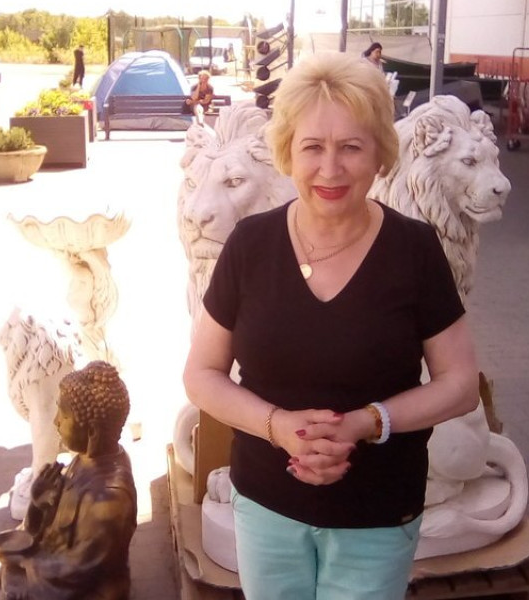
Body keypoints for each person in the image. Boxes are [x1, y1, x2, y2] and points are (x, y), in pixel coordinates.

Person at [183, 52, 479, 600]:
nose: (330, 168)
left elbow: (460, 384)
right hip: (266, 507)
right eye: (313, 147)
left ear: (379, 153)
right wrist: (278, 427)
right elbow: (201, 374)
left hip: (378, 512)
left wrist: (366, 423)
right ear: (288, 152)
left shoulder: (415, 249)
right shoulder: (250, 245)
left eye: (351, 147)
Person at [0, 361, 138, 600]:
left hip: (89, 588)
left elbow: (82, 568)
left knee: (8, 590)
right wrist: (39, 504)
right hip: (56, 565)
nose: (55, 421)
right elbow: (54, 530)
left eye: (63, 415)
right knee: (3, 579)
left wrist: (26, 560)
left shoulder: (110, 496)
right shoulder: (84, 460)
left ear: (91, 432)